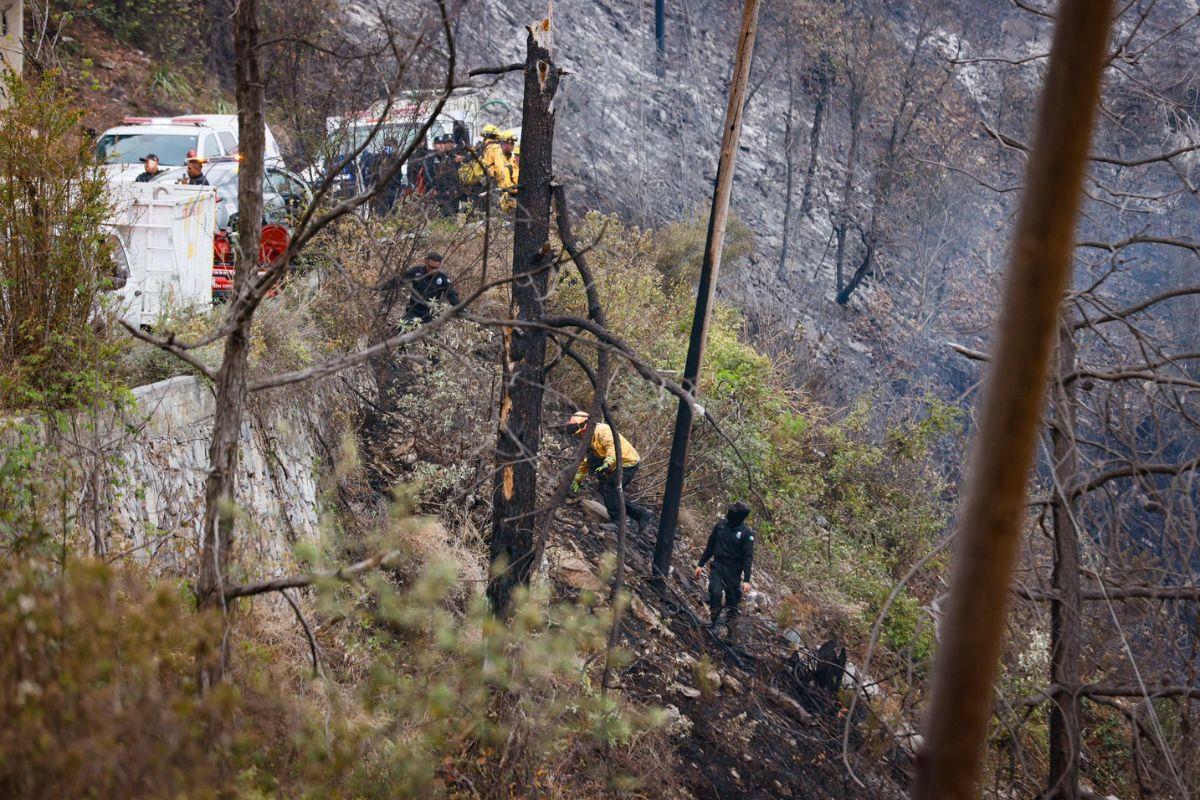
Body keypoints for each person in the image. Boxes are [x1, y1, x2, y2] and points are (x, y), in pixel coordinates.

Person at [568, 411, 654, 535]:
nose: (580, 435)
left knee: (610, 488)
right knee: (606, 490)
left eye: (581, 432)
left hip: (627, 462)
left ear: (586, 427)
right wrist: (578, 478)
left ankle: (618, 523)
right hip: (616, 462)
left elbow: (612, 448)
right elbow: (586, 460)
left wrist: (607, 463)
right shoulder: (589, 438)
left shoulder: (602, 431)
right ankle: (641, 514)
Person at [694, 502, 755, 639]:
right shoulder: (720, 526)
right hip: (718, 565)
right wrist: (700, 564)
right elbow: (710, 546)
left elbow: (747, 558)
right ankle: (714, 621)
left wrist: (746, 580)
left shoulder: (746, 534)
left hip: (734, 571)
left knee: (732, 602)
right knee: (715, 592)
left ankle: (730, 629)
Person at [396, 251, 460, 324]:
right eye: (432, 268)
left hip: (431, 316)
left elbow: (452, 296)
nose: (434, 271)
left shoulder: (442, 278)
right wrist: (380, 288)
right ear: (426, 262)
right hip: (413, 313)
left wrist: (463, 312)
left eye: (437, 268)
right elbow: (398, 282)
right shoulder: (416, 272)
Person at [371, 137, 405, 215]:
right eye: (389, 146)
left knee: (395, 215)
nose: (392, 149)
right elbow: (374, 177)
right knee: (382, 215)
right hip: (382, 194)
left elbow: (399, 177)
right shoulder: (378, 160)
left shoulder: (397, 160)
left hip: (394, 192)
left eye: (393, 147)